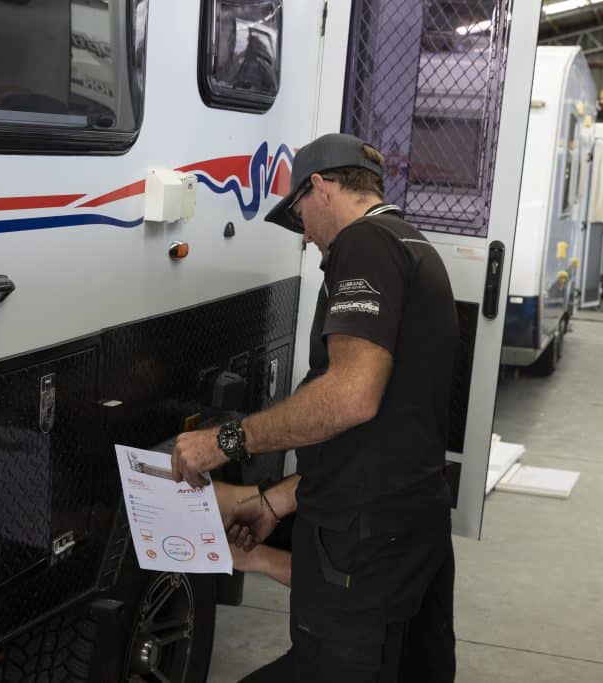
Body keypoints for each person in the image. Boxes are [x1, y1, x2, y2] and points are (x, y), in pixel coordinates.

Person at [173, 133, 459, 682]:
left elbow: (350, 396)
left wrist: (224, 440)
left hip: (369, 539)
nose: (304, 236)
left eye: (298, 211)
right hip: (409, 527)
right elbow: (380, 442)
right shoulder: (413, 245)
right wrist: (275, 502)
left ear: (322, 188)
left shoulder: (365, 245)